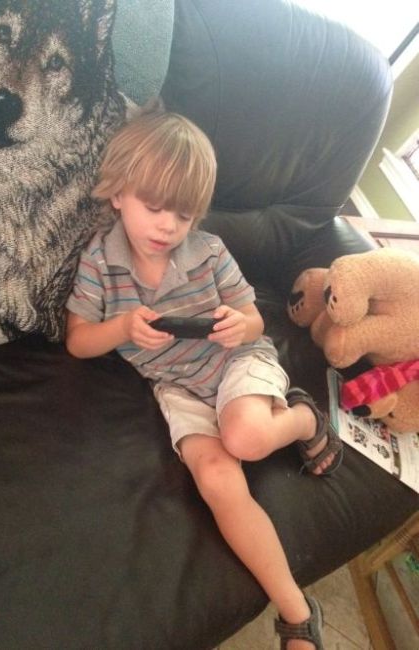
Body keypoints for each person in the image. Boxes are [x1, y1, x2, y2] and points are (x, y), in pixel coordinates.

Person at [65, 109, 343, 650]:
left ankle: (305, 417)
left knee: (246, 436)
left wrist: (242, 323)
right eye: (154, 207)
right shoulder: (100, 261)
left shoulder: (209, 250)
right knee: (216, 479)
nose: (168, 227)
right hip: (176, 387)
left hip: (235, 361)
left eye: (184, 214)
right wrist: (121, 327)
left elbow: (254, 319)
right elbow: (78, 341)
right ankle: (297, 612)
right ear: (118, 193)